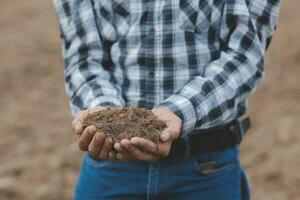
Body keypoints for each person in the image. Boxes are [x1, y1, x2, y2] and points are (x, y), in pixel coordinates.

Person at [53, 0, 280, 199]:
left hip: (205, 168)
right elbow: (84, 58)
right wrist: (106, 117)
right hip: (111, 164)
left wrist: (178, 113)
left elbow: (244, 56)